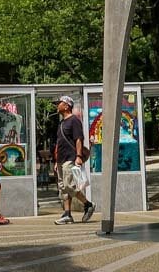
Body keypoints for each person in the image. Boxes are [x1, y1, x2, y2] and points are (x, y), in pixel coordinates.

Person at [53, 95, 94, 225]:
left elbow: (78, 139)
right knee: (63, 188)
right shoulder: (61, 123)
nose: (57, 105)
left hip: (70, 158)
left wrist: (78, 156)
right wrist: (56, 161)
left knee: (69, 185)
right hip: (61, 159)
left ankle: (88, 204)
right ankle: (67, 214)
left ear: (66, 106)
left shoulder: (74, 121)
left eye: (59, 103)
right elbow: (59, 143)